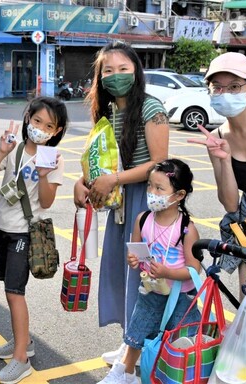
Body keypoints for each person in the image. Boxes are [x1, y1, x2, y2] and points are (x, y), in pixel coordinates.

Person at [73, 41, 170, 364]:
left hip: (146, 205)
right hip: (118, 204)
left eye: (123, 69)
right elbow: (100, 159)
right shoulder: (107, 110)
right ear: (100, 77)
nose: (116, 76)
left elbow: (159, 164)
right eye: (108, 70)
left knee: (143, 276)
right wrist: (83, 182)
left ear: (136, 71)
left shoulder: (151, 108)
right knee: (120, 272)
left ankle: (137, 353)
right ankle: (129, 339)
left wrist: (114, 179)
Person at [0, 97, 68, 384]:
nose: (40, 128)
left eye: (48, 125)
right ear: (28, 117)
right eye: (37, 121)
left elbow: (47, 201)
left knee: (15, 292)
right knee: (9, 287)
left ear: (57, 130)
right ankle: (23, 341)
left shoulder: (54, 158)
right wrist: (1, 150)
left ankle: (21, 359)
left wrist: (43, 175)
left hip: (24, 233)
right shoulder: (14, 148)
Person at [97, 159, 202, 384]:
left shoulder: (186, 228)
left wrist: (168, 272)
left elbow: (194, 270)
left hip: (179, 298)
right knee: (137, 333)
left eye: (159, 188)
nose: (152, 193)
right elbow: (134, 253)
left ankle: (172, 376)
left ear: (179, 195)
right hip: (149, 291)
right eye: (149, 186)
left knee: (177, 341)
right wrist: (133, 260)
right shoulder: (143, 219)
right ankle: (124, 374)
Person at [188, 52, 246, 301]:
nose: (225, 93)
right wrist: (225, 160)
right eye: (217, 87)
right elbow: (230, 204)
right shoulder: (216, 136)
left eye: (235, 86)